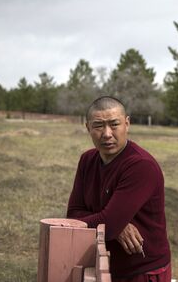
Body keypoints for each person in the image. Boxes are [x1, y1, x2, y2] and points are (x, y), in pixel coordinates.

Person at [67, 96, 171, 282]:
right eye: (98, 126)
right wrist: (115, 224)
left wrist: (113, 224)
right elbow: (72, 214)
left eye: (114, 124)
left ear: (127, 124)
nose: (107, 133)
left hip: (142, 270)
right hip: (104, 264)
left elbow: (108, 226)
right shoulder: (87, 160)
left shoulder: (140, 165)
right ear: (88, 128)